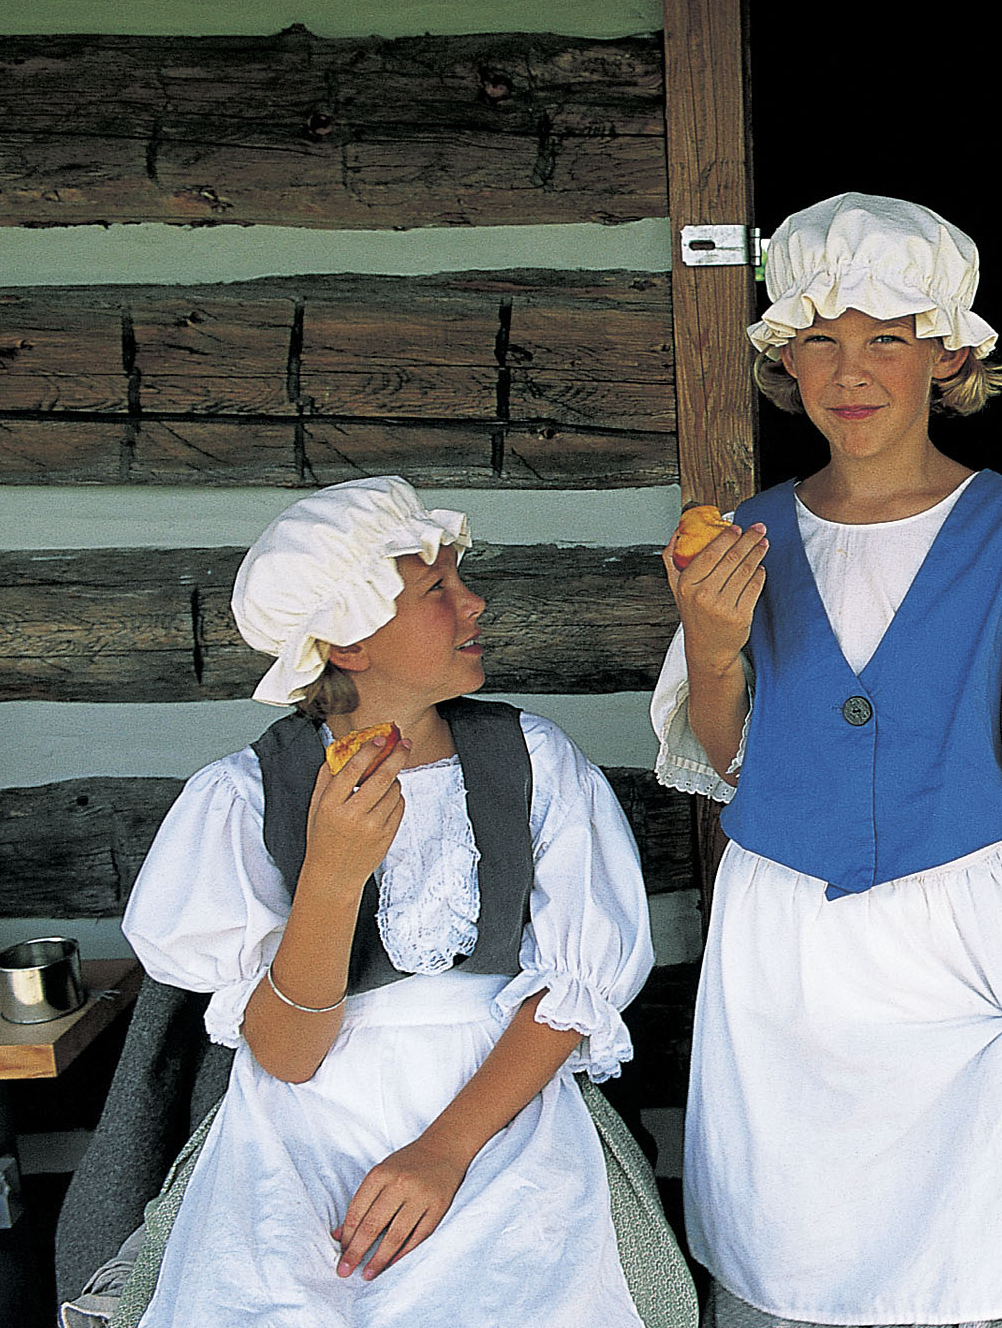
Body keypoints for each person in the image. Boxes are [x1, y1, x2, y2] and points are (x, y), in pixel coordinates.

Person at [652, 193, 1002, 1328]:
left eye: (886, 338)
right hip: (784, 942)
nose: (849, 369)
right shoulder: (748, 537)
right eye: (819, 337)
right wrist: (715, 650)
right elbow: (734, 763)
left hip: (952, 928)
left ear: (950, 353)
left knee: (971, 1236)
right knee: (796, 1231)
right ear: (786, 359)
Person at [113, 476, 690, 1328]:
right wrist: (334, 874)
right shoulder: (245, 796)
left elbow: (573, 996)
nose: (474, 602)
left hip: (498, 1101)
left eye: (461, 580)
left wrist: (444, 1152)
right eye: (437, 590)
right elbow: (289, 1055)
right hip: (304, 1118)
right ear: (348, 642)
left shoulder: (533, 763)